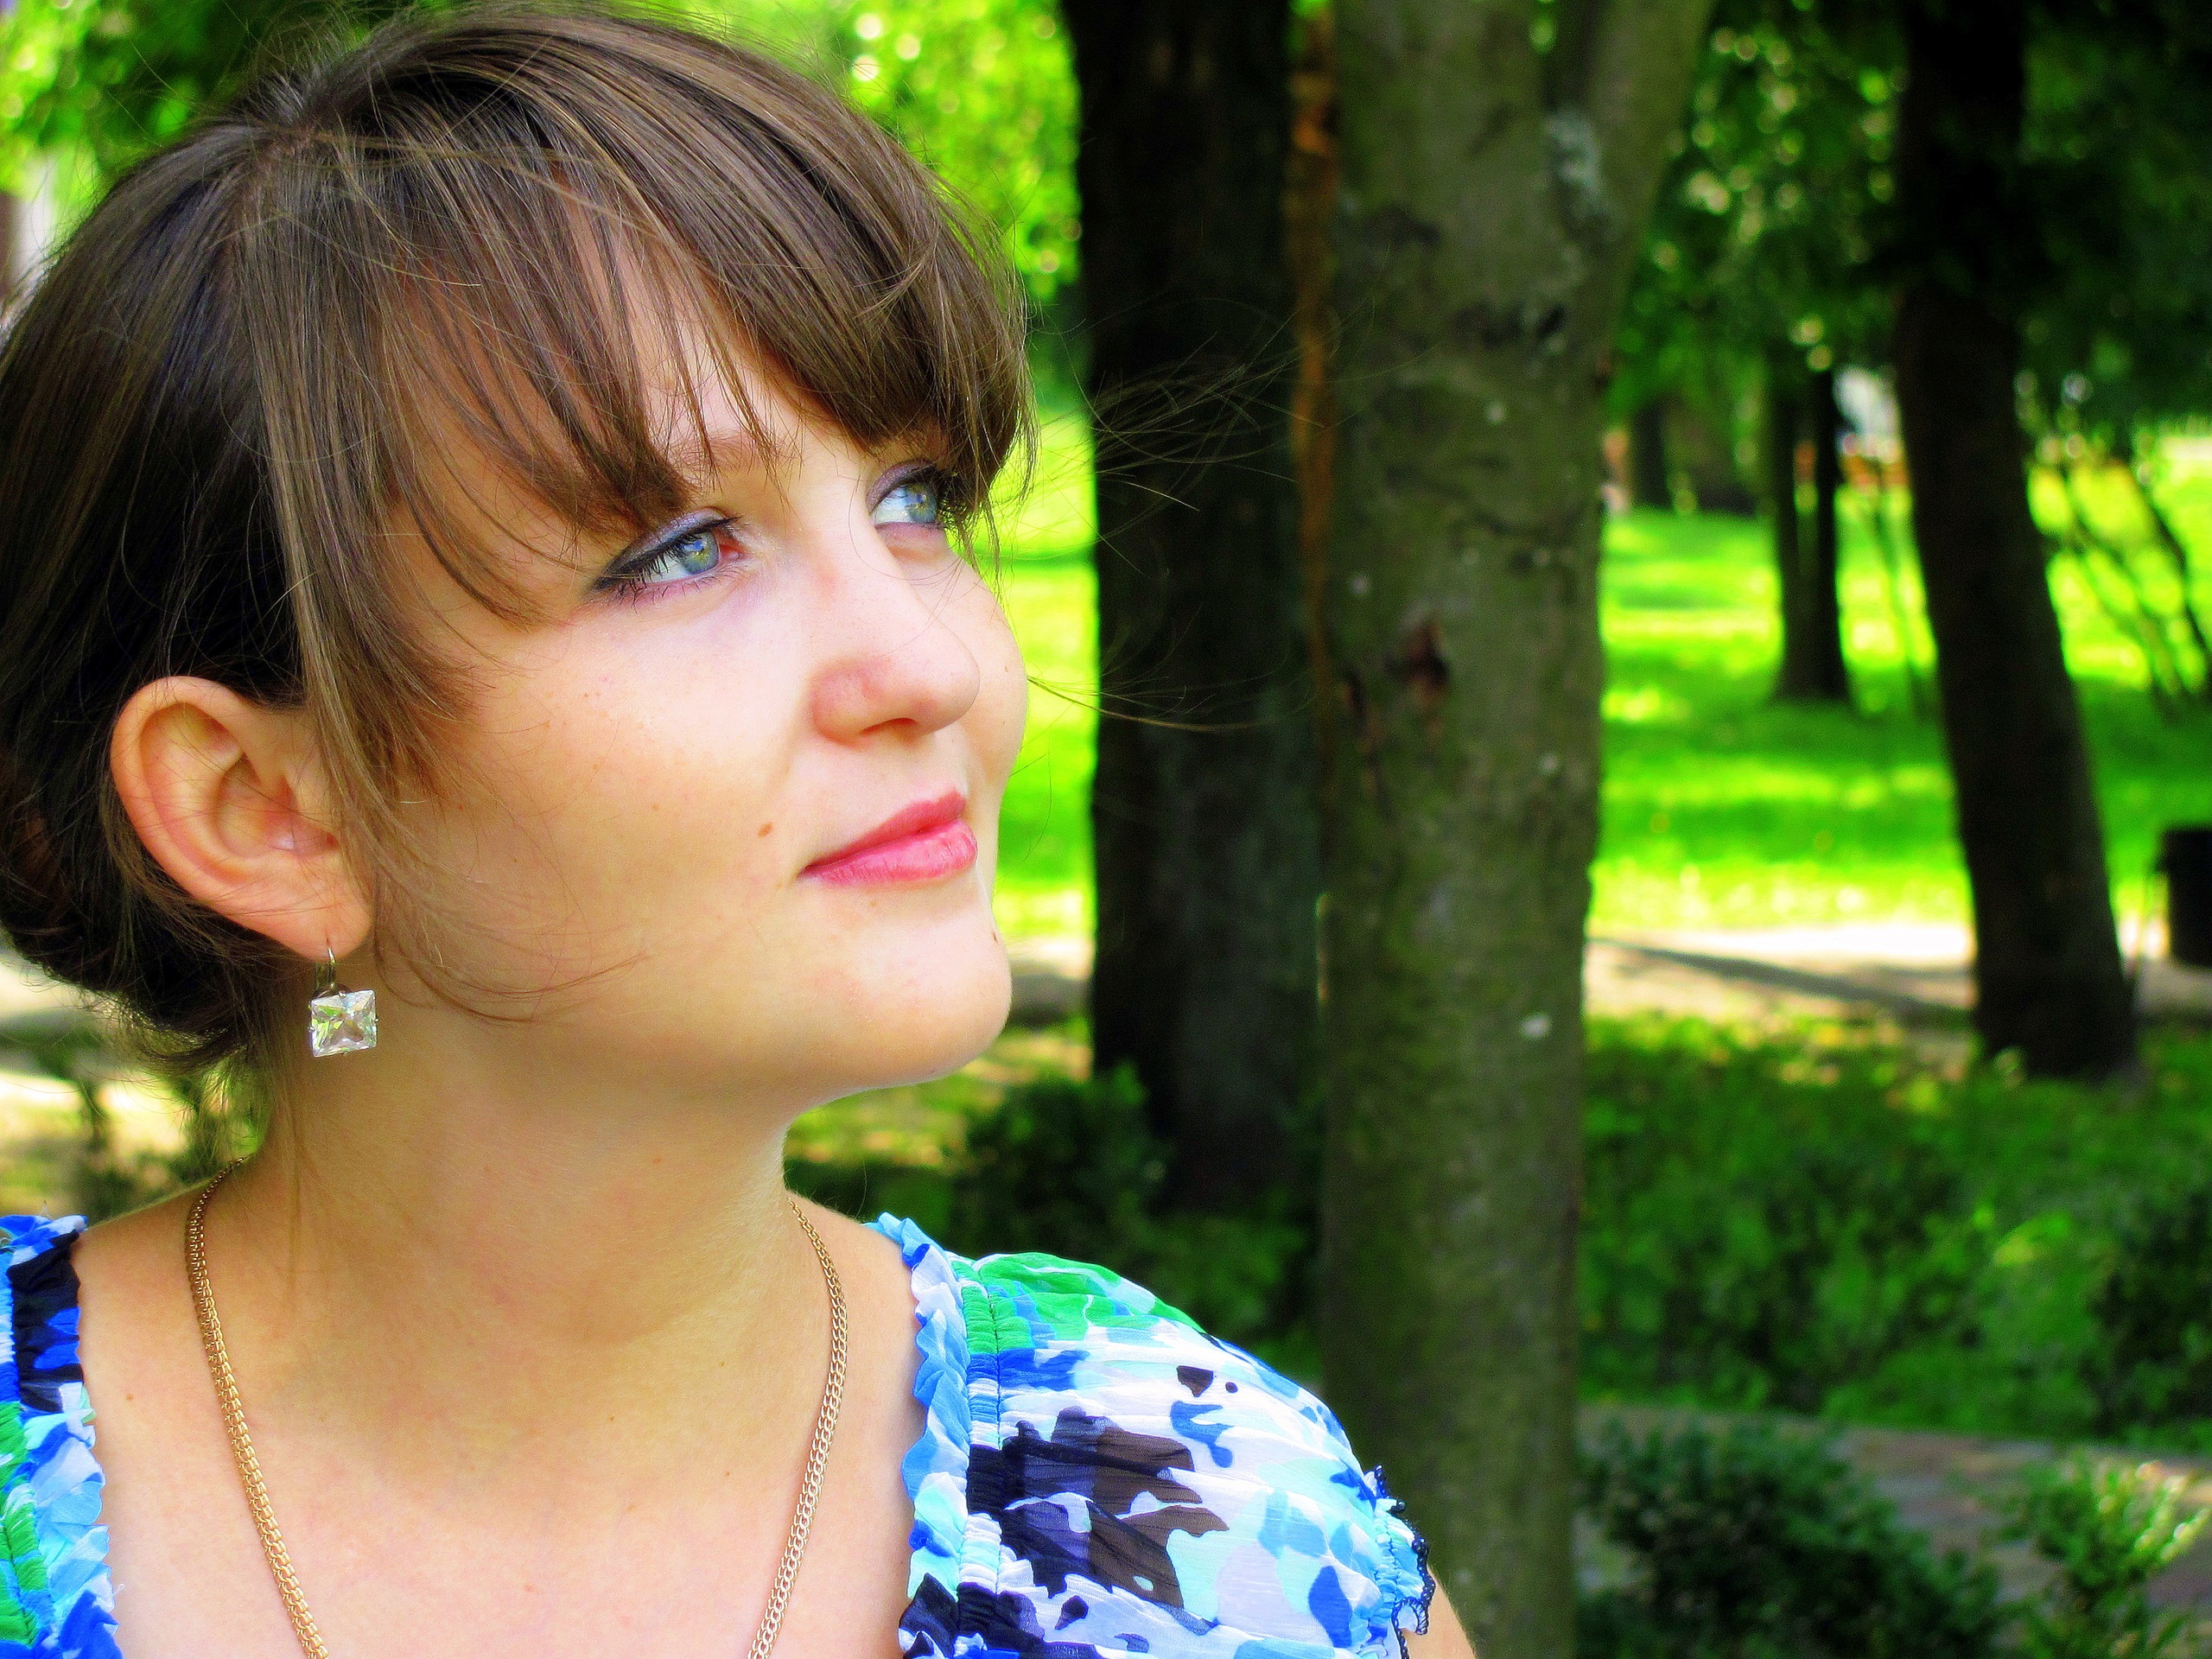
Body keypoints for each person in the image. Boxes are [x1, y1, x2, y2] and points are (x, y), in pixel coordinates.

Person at [0, 7, 1477, 1656]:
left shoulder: (1225, 1547)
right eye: (683, 551)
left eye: (916, 501)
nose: (930, 667)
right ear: (267, 812)